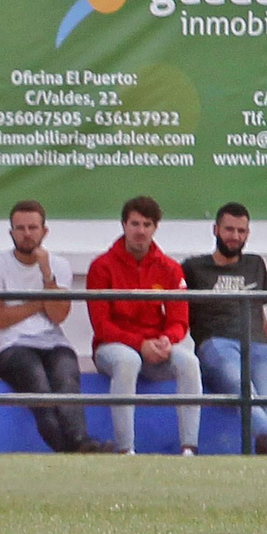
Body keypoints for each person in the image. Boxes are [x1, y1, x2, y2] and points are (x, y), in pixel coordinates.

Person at [0, 200, 107, 453]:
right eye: (20, 228)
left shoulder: (58, 266)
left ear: (44, 231)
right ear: (11, 232)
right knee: (38, 386)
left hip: (53, 342)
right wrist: (40, 302)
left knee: (67, 381)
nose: (27, 234)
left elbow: (58, 315)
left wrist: (46, 274)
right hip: (11, 346)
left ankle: (81, 441)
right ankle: (74, 450)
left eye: (33, 228)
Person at [87, 195, 201, 456]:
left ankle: (189, 449)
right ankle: (126, 450)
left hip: (156, 348)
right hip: (111, 348)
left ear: (155, 227)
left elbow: (179, 320)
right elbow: (102, 326)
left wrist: (166, 340)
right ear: (124, 225)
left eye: (147, 224)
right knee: (128, 361)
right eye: (135, 224)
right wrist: (140, 344)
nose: (140, 231)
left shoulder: (170, 268)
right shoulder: (101, 267)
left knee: (189, 362)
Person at [183, 203, 267, 454]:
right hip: (216, 344)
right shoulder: (193, 267)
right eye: (229, 229)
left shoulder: (255, 264)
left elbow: (260, 312)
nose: (235, 236)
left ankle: (266, 441)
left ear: (248, 233)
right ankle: (266, 435)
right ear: (216, 230)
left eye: (241, 231)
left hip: (257, 345)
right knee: (241, 385)